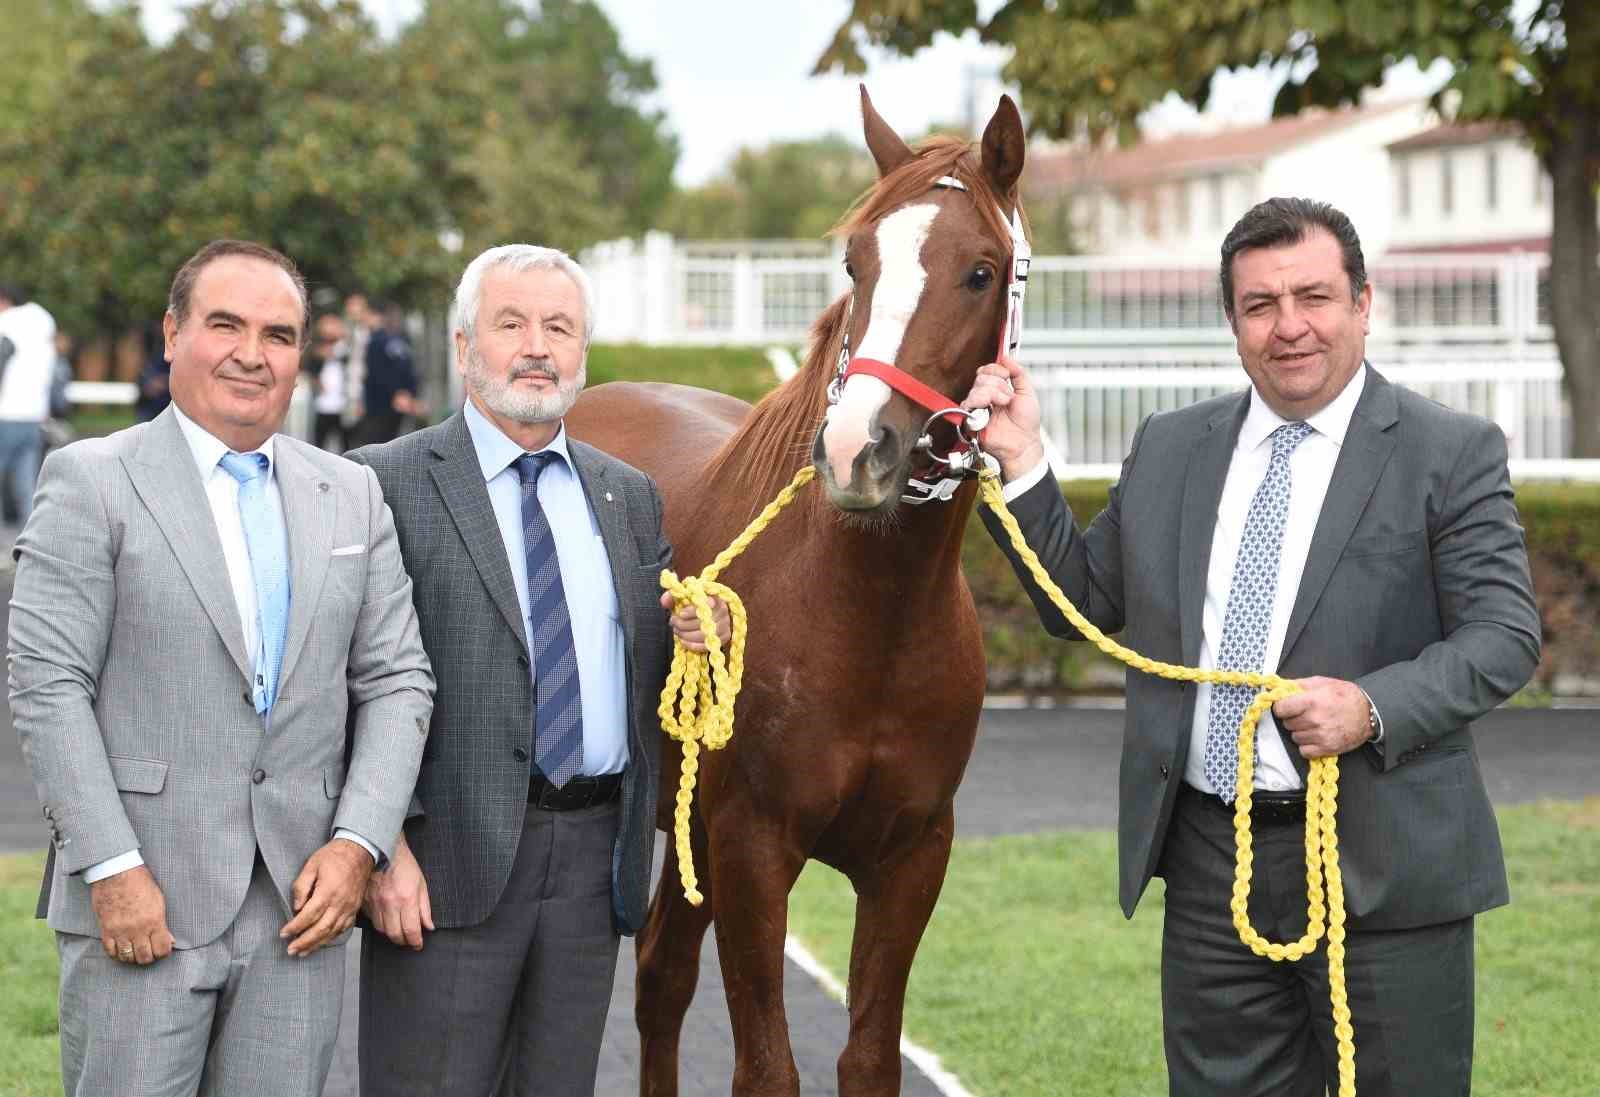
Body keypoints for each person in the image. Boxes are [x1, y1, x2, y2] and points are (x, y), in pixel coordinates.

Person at [963, 197, 1540, 1097]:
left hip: (1381, 862)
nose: (1290, 326)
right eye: (1260, 304)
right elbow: (1080, 600)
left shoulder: (1448, 450)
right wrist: (1023, 460)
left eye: (1313, 296)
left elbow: (1504, 635)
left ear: (1363, 303)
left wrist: (1371, 706)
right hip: (1209, 862)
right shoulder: (1169, 447)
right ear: (1233, 321)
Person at [8, 239, 436, 1097]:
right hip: (142, 903)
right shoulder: (91, 480)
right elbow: (48, 686)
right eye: (225, 324)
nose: (252, 352)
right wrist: (110, 868)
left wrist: (358, 844)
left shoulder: (349, 491)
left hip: (300, 910)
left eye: (278, 334)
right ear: (172, 334)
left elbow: (397, 679)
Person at [348, 243, 727, 1097]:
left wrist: (701, 636)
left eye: (559, 327)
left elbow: (641, 675)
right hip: (442, 861)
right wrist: (383, 847)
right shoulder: (383, 482)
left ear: (582, 354)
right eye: (510, 322)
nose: (535, 346)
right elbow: (345, 684)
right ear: (461, 345)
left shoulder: (627, 495)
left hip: (591, 865)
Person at [0, 282, 58, 526]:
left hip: (6, 413)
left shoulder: (7, 323)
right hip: (35, 414)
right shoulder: (43, 322)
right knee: (27, 483)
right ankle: (30, 547)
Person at [349, 300, 419, 447]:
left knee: (373, 447)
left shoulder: (376, 341)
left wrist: (396, 394)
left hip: (379, 404)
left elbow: (378, 374)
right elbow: (409, 369)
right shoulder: (399, 338)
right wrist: (408, 394)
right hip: (396, 402)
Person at [309, 311, 350, 451]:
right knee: (318, 444)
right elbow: (312, 370)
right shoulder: (316, 349)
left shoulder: (345, 348)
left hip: (343, 405)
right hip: (322, 405)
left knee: (346, 445)